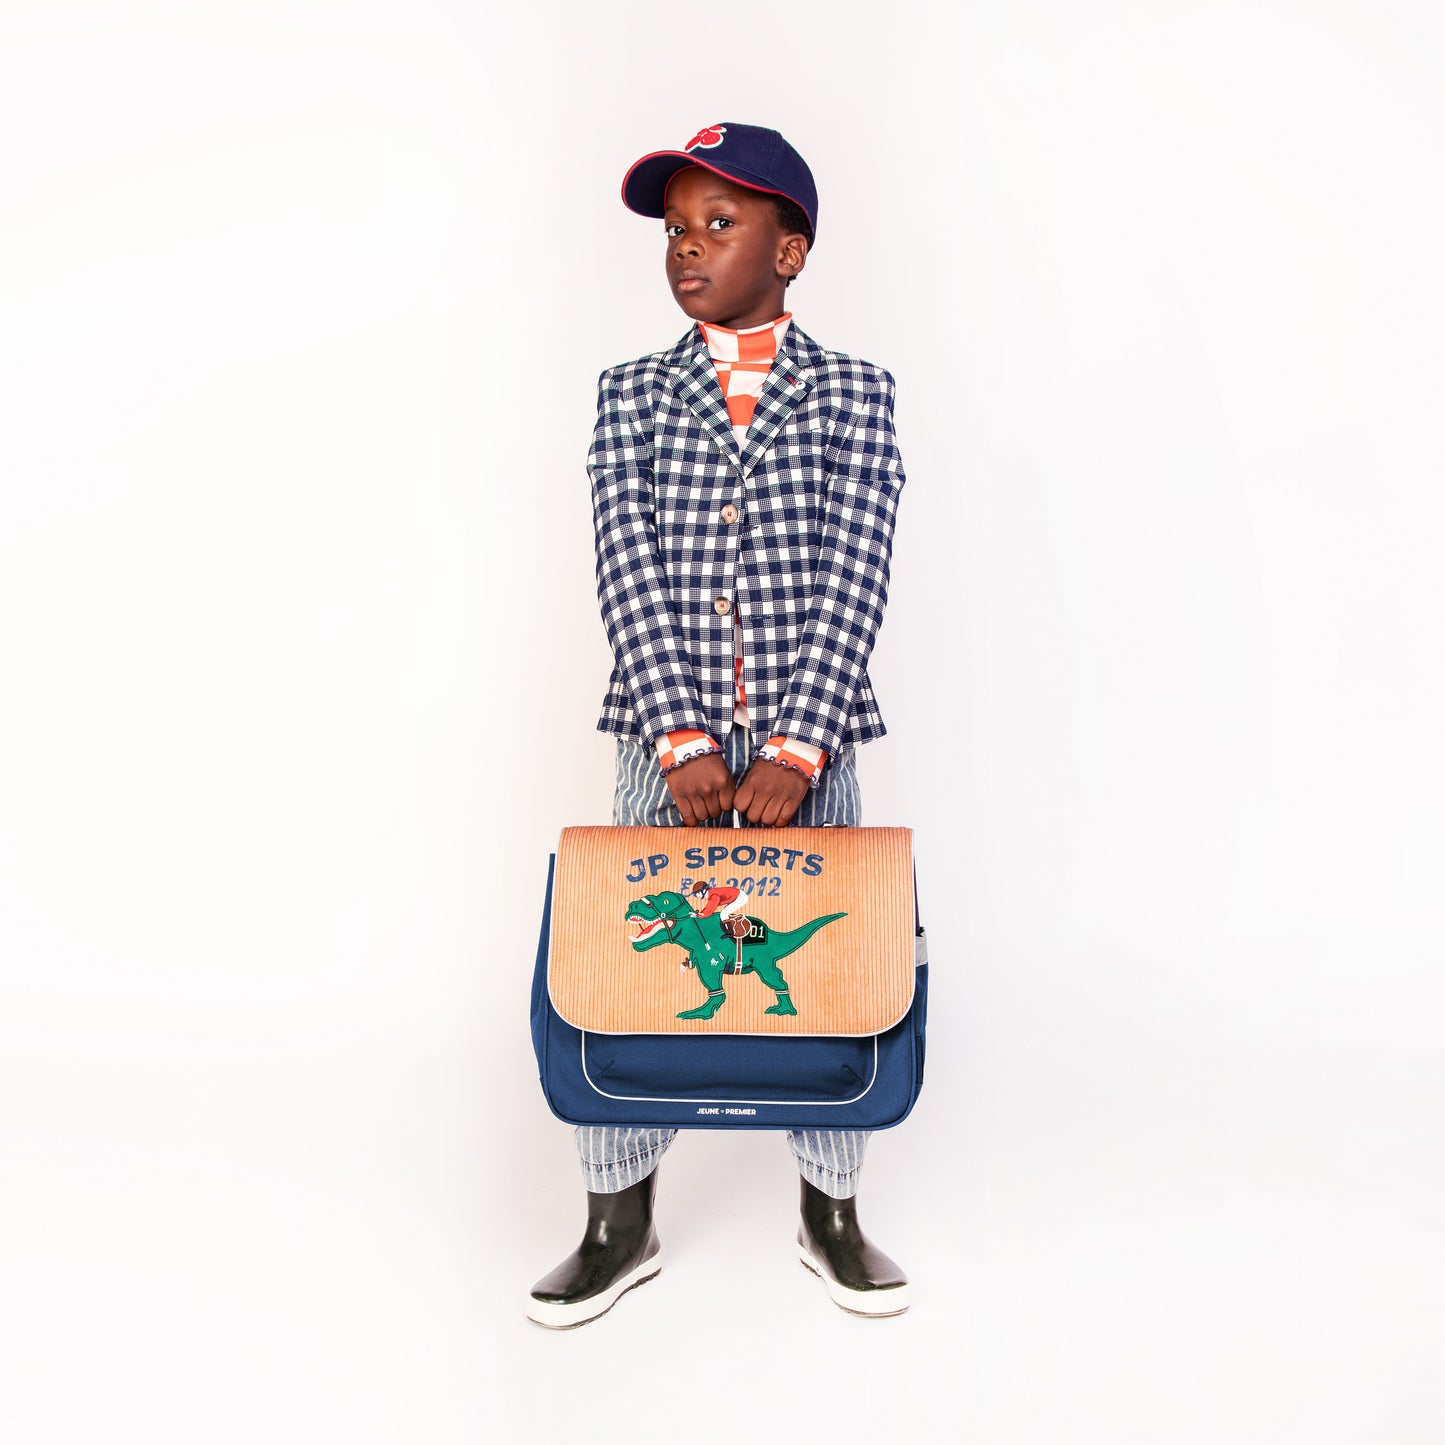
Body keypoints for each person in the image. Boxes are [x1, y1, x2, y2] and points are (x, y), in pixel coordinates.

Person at [527, 123, 909, 1328]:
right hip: (664, 745)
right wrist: (680, 738)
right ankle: (616, 1218)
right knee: (629, 965)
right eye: (673, 229)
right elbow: (623, 563)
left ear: (788, 251)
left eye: (718, 224)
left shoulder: (854, 394)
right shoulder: (631, 394)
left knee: (825, 972)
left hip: (810, 748)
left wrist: (797, 746)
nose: (686, 247)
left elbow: (856, 568)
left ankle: (829, 1207)